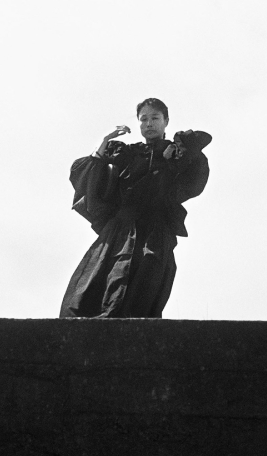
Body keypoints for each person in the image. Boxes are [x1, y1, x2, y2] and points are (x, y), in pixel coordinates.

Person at [59, 98, 211, 318]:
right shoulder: (127, 154)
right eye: (144, 119)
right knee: (102, 279)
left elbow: (193, 183)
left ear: (166, 121)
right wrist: (105, 140)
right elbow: (87, 174)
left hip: (157, 228)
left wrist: (177, 159)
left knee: (149, 272)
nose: (149, 123)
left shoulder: (179, 153)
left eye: (155, 118)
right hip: (121, 229)